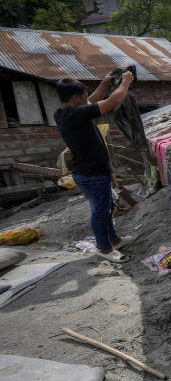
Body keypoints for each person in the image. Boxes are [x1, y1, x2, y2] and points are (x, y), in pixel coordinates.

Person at [54, 72, 136, 263]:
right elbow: (112, 102)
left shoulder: (63, 112)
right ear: (75, 99)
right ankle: (105, 249)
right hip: (92, 173)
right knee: (100, 212)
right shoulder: (76, 114)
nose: (87, 99)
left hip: (91, 172)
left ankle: (114, 240)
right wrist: (125, 82)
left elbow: (92, 100)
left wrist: (105, 82)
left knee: (107, 207)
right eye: (83, 96)